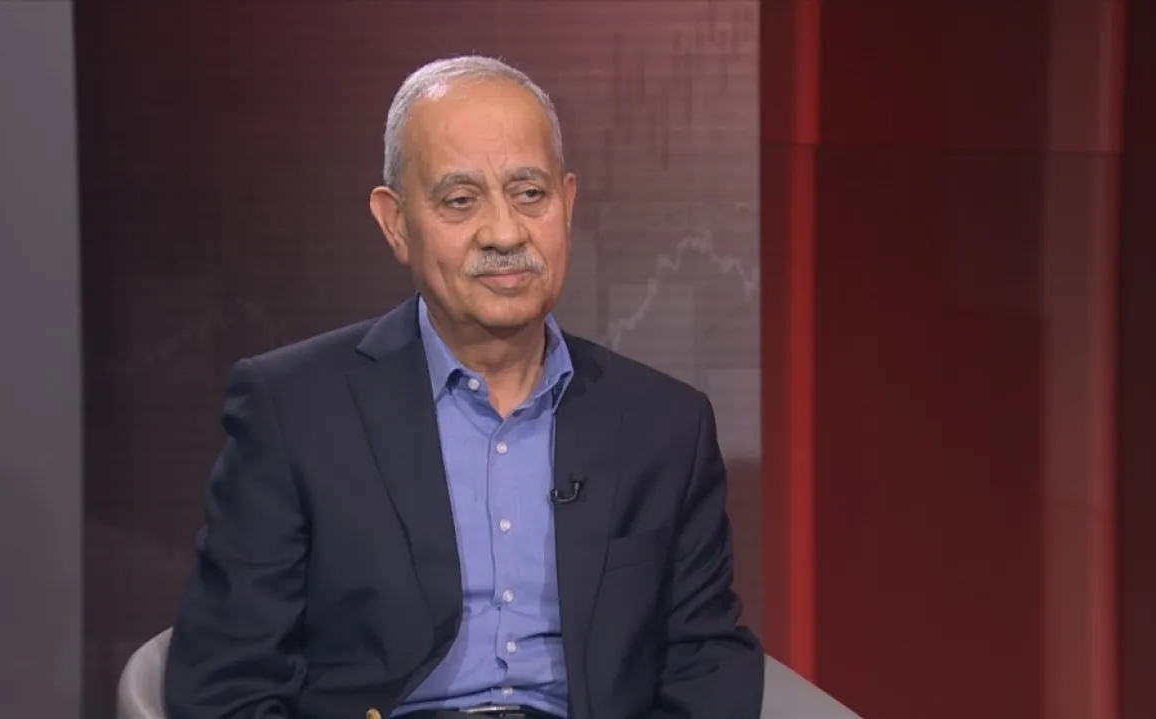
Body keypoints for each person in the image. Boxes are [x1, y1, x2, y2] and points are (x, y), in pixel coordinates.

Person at [164, 55, 764, 719]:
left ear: (567, 203)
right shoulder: (294, 410)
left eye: (530, 194)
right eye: (460, 200)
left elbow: (707, 664)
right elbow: (227, 683)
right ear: (395, 222)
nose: (505, 233)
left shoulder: (665, 425)